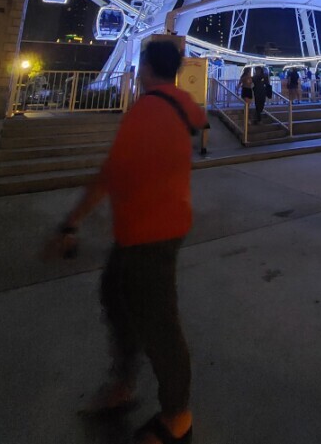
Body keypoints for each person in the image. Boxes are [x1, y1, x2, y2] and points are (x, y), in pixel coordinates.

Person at [49, 40, 206, 444]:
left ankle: (177, 419)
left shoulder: (148, 110)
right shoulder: (181, 104)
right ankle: (123, 383)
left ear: (146, 68)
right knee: (117, 298)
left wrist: (72, 222)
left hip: (149, 234)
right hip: (152, 227)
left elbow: (111, 172)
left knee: (160, 325)